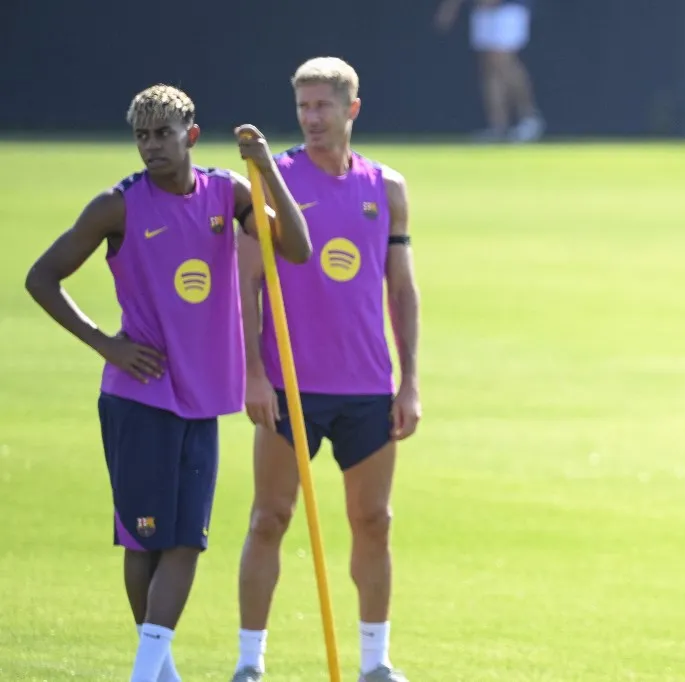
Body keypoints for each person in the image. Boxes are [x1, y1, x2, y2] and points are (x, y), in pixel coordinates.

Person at [24, 84, 312, 682]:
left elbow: (297, 247)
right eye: (142, 136)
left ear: (192, 136)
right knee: (145, 543)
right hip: (139, 398)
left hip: (203, 396)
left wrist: (265, 170)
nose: (151, 146)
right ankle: (156, 671)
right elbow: (42, 277)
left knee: (187, 541)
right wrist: (107, 344)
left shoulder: (226, 193)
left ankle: (150, 671)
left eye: (163, 134)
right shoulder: (118, 206)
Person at [231, 57, 422, 682]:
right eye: (303, 107)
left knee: (374, 521)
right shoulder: (272, 181)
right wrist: (255, 375)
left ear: (351, 110)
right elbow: (248, 285)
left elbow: (402, 290)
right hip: (291, 385)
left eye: (323, 106)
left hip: (368, 385)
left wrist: (410, 380)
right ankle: (250, 663)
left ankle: (375, 662)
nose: (312, 118)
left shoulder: (386, 187)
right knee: (270, 518)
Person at [435, 0, 545, 142]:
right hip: (482, 9)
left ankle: (529, 119)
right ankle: (498, 126)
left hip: (509, 7)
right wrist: (449, 8)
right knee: (489, 67)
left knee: (504, 61)